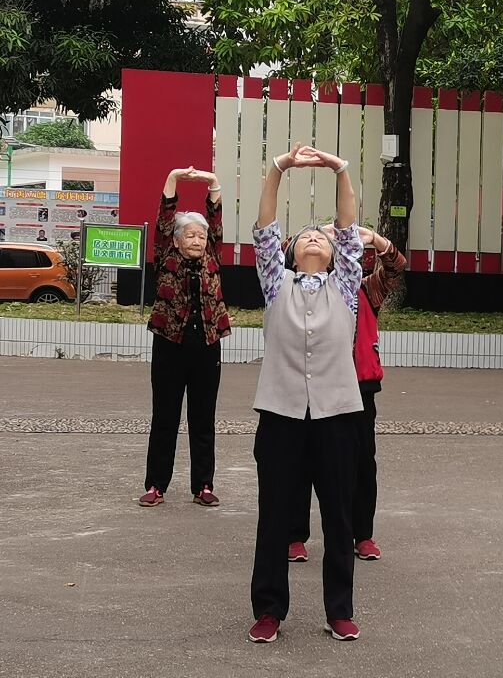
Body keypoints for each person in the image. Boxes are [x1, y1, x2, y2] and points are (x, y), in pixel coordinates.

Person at [247, 144, 366, 645]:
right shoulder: (276, 284)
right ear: (290, 252)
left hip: (337, 415)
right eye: (305, 236)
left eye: (323, 236)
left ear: (336, 254)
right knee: (275, 517)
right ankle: (269, 609)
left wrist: (339, 169)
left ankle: (339, 611)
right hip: (281, 414)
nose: (315, 237)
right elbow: (264, 228)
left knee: (339, 517)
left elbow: (349, 227)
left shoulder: (346, 285)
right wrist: (279, 168)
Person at [290, 225, 406, 563]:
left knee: (361, 463)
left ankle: (362, 534)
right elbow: (283, 253)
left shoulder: (365, 289)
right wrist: (317, 233)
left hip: (358, 387)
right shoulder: (303, 286)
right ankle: (294, 535)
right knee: (301, 460)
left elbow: (396, 268)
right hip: (312, 385)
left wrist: (376, 240)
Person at [141, 166, 231, 508]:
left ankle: (203, 485)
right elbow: (164, 219)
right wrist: (174, 177)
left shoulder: (213, 257)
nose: (196, 240)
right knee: (165, 417)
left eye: (201, 236)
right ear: (177, 240)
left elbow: (216, 221)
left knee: (203, 418)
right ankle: (156, 485)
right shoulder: (166, 255)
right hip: (169, 344)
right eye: (190, 235)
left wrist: (213, 184)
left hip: (207, 345)